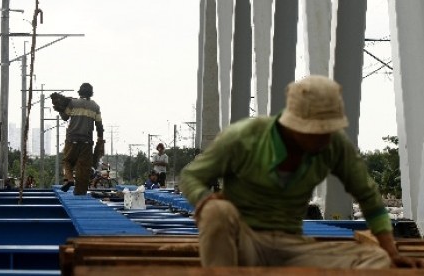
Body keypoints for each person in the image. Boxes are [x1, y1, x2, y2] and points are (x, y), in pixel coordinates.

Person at [179, 75, 424, 269]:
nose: (322, 137)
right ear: (293, 124)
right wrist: (203, 199)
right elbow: (191, 176)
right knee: (216, 210)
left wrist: (391, 252)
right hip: (244, 240)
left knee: (375, 260)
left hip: (290, 246)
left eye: (327, 130)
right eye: (315, 131)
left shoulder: (333, 145)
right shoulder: (244, 137)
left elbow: (369, 198)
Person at [59, 83, 104, 195]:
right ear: (91, 93)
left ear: (80, 92)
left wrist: (61, 109)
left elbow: (65, 117)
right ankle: (80, 194)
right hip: (87, 142)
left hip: (72, 139)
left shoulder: (73, 103)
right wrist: (100, 141)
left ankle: (69, 179)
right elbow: (99, 126)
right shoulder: (95, 106)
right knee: (83, 170)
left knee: (67, 161)